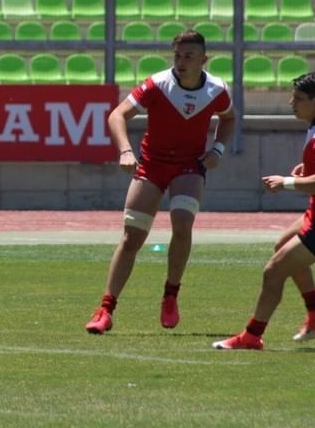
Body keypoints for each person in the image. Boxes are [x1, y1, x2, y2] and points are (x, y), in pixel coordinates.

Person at [86, 30, 236, 334]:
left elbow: (229, 118)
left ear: (203, 60)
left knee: (182, 225)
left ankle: (170, 295)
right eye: (177, 56)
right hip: (152, 166)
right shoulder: (158, 84)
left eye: (188, 56)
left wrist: (217, 149)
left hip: (189, 168)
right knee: (132, 238)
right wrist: (126, 150)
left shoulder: (218, 89)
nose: (181, 62)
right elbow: (117, 115)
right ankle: (105, 309)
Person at [214, 70, 315, 350]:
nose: (291, 103)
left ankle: (252, 336)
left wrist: (288, 182)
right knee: (282, 246)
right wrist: (310, 169)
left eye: (299, 99)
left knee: (274, 271)